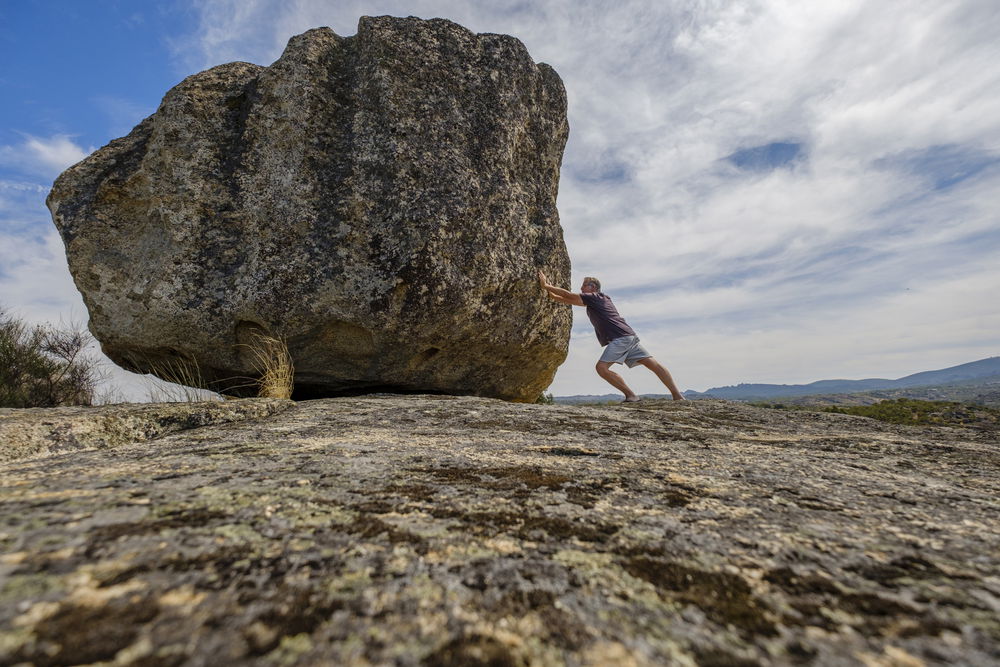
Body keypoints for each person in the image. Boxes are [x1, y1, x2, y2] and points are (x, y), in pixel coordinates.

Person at [537, 270, 685, 402]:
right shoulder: (598, 300)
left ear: (593, 287)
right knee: (654, 365)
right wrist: (553, 295)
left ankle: (631, 395)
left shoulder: (595, 297)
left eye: (584, 286)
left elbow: (569, 295)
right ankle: (677, 395)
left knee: (602, 368)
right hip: (628, 336)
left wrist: (546, 285)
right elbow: (569, 300)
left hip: (620, 338)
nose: (581, 288)